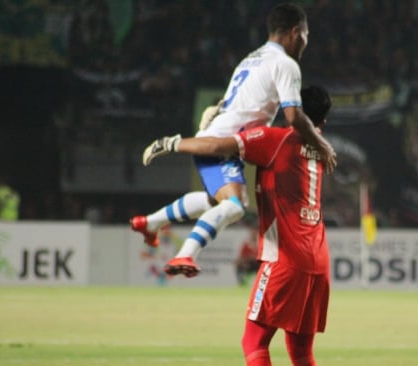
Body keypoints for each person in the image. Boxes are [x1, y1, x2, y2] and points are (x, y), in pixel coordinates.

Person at [130, 2, 336, 278]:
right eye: (306, 37)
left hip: (219, 137)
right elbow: (293, 117)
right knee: (235, 207)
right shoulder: (286, 65)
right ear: (295, 32)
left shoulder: (251, 58)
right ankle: (186, 254)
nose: (305, 44)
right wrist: (322, 145)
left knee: (215, 202)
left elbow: (232, 101)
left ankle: (151, 223)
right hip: (220, 144)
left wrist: (215, 114)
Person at [144, 85, 332, 366]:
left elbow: (216, 146)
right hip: (318, 260)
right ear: (323, 121)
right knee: (301, 351)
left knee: (253, 341)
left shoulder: (277, 140)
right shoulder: (321, 147)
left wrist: (172, 143)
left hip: (285, 259)